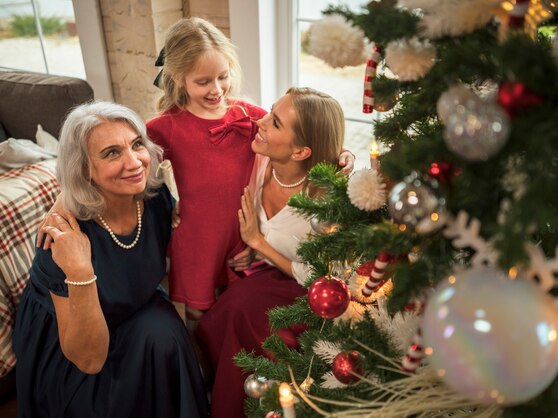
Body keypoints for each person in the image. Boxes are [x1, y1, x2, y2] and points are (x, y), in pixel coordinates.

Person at [147, 17, 354, 328]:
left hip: (241, 234)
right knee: (198, 314)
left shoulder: (249, 117)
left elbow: (306, 140)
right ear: (178, 77)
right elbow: (135, 162)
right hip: (199, 237)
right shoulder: (166, 127)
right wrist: (166, 206)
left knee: (232, 309)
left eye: (223, 77)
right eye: (203, 82)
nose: (216, 89)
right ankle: (199, 365)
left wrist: (344, 155)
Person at [13, 101, 208, 418]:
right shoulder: (60, 240)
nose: (134, 163)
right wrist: (78, 268)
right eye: (112, 153)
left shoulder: (155, 198)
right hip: (74, 344)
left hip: (131, 309)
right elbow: (89, 360)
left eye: (136, 145)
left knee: (166, 332)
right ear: (85, 170)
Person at [196, 87, 345, 418]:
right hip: (262, 274)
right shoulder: (260, 159)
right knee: (231, 305)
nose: (261, 121)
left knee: (243, 310)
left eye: (275, 122)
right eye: (270, 111)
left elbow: (320, 277)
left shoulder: (325, 200)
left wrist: (257, 242)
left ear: (300, 151)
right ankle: (216, 384)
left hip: (310, 293)